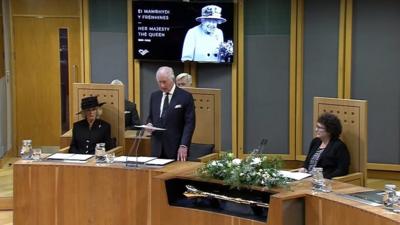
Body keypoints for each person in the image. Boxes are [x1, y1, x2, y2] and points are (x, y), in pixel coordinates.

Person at [146, 66, 196, 161]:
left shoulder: (185, 97)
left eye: (164, 82)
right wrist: (149, 124)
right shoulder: (154, 96)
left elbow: (189, 124)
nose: (162, 85)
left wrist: (184, 145)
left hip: (176, 148)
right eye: (159, 82)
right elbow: (151, 117)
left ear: (172, 79)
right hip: (157, 149)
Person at [299, 113, 350, 179]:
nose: (316, 130)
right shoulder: (315, 141)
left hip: (324, 181)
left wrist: (323, 177)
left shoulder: (339, 146)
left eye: (319, 128)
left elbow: (342, 170)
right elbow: (307, 161)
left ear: (330, 130)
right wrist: (304, 168)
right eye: (316, 126)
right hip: (307, 178)